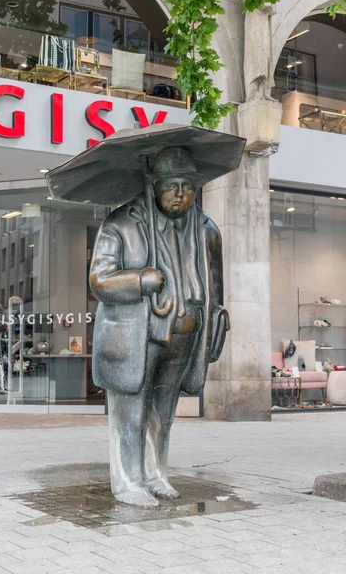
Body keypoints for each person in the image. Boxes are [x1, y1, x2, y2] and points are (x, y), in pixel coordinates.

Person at [90, 146, 230, 507]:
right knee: (130, 411)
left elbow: (216, 285)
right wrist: (139, 279)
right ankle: (126, 480)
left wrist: (216, 324)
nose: (181, 193)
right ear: (154, 186)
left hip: (186, 332)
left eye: (188, 185)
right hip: (137, 333)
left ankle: (154, 473)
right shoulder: (120, 223)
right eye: (171, 185)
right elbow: (99, 281)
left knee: (163, 412)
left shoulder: (207, 228)